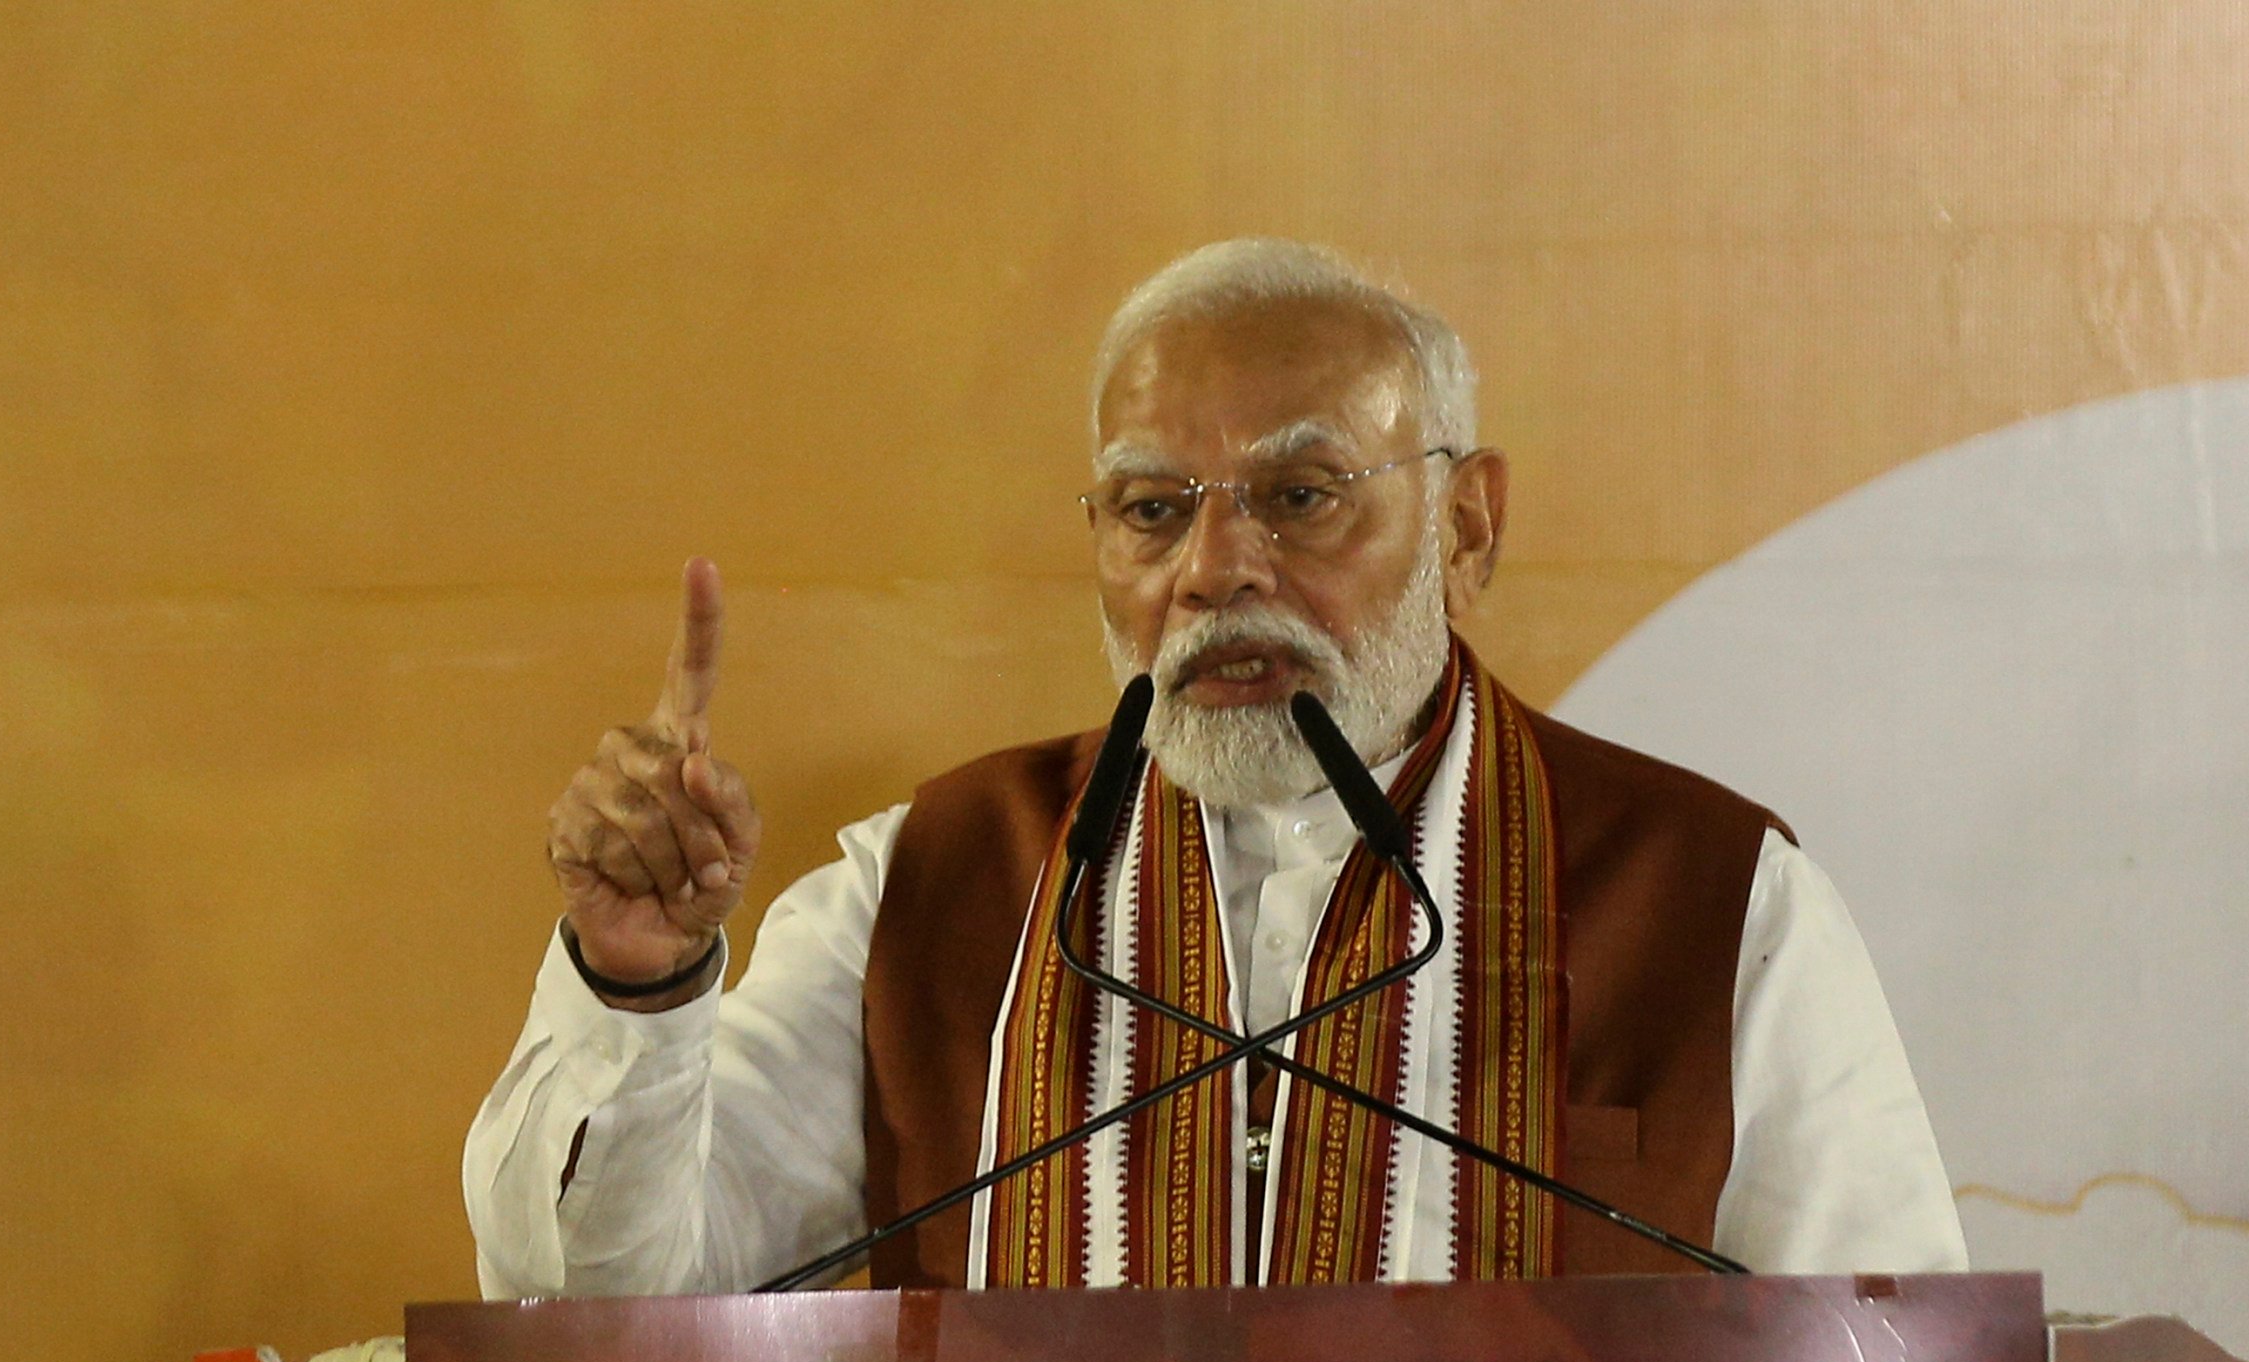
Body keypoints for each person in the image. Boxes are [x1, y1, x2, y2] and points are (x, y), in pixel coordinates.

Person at [463, 239, 1962, 1296]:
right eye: (1150, 508)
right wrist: (640, 989)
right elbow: (603, 1294)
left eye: (1300, 495)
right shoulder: (933, 887)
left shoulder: (1712, 903)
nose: (1214, 569)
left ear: (1470, 523)